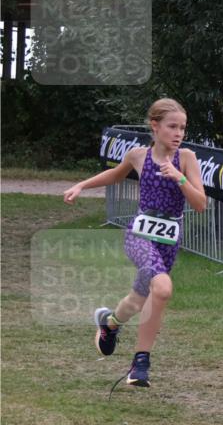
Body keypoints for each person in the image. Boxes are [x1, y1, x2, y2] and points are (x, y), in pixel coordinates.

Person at [64, 98, 206, 388]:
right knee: (163, 289)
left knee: (138, 300)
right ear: (155, 126)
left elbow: (201, 204)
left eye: (183, 128)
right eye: (172, 127)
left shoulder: (187, 159)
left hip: (168, 240)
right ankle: (141, 363)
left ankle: (110, 323)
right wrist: (81, 185)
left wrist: (179, 178)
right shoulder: (139, 155)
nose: (178, 133)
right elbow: (114, 175)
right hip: (139, 234)